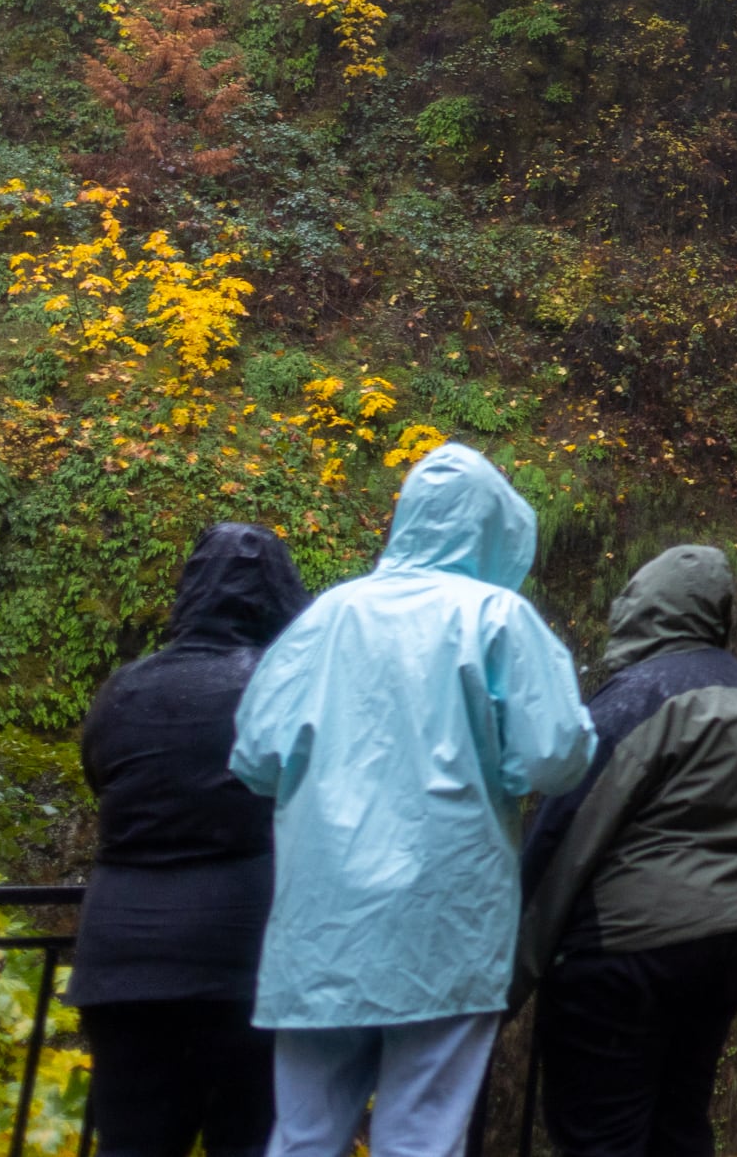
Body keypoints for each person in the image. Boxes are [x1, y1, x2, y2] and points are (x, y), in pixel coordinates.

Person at [232, 442, 596, 1157]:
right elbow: (554, 755)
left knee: (303, 1135)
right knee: (423, 1135)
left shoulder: (327, 617)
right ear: (495, 529)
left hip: (323, 924)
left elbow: (254, 756)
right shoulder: (497, 618)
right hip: (445, 919)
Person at [516, 545, 737, 1157]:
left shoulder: (642, 694)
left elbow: (569, 835)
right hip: (731, 936)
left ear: (644, 608)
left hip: (629, 948)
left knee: (601, 1134)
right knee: (679, 1125)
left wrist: (507, 980)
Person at [74, 523, 309, 1157]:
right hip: (243, 959)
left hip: (119, 958)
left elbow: (100, 777)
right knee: (248, 1139)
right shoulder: (280, 686)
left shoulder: (124, 688)